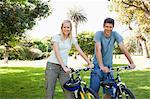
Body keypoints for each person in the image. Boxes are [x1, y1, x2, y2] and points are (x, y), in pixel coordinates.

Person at [45, 20, 93, 99]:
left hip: (64, 68)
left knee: (69, 91)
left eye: (68, 27)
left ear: (70, 28)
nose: (66, 29)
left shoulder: (72, 39)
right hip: (52, 66)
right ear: (61, 28)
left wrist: (89, 62)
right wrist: (64, 67)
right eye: (64, 27)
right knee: (49, 92)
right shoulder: (56, 37)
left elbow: (79, 50)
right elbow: (57, 53)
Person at [90, 18, 136, 99]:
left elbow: (123, 48)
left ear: (113, 27)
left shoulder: (115, 34)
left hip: (109, 67)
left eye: (110, 27)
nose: (108, 29)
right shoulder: (98, 34)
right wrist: (101, 66)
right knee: (94, 93)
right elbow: (98, 50)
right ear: (103, 26)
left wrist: (131, 62)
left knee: (109, 93)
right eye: (106, 26)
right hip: (97, 67)